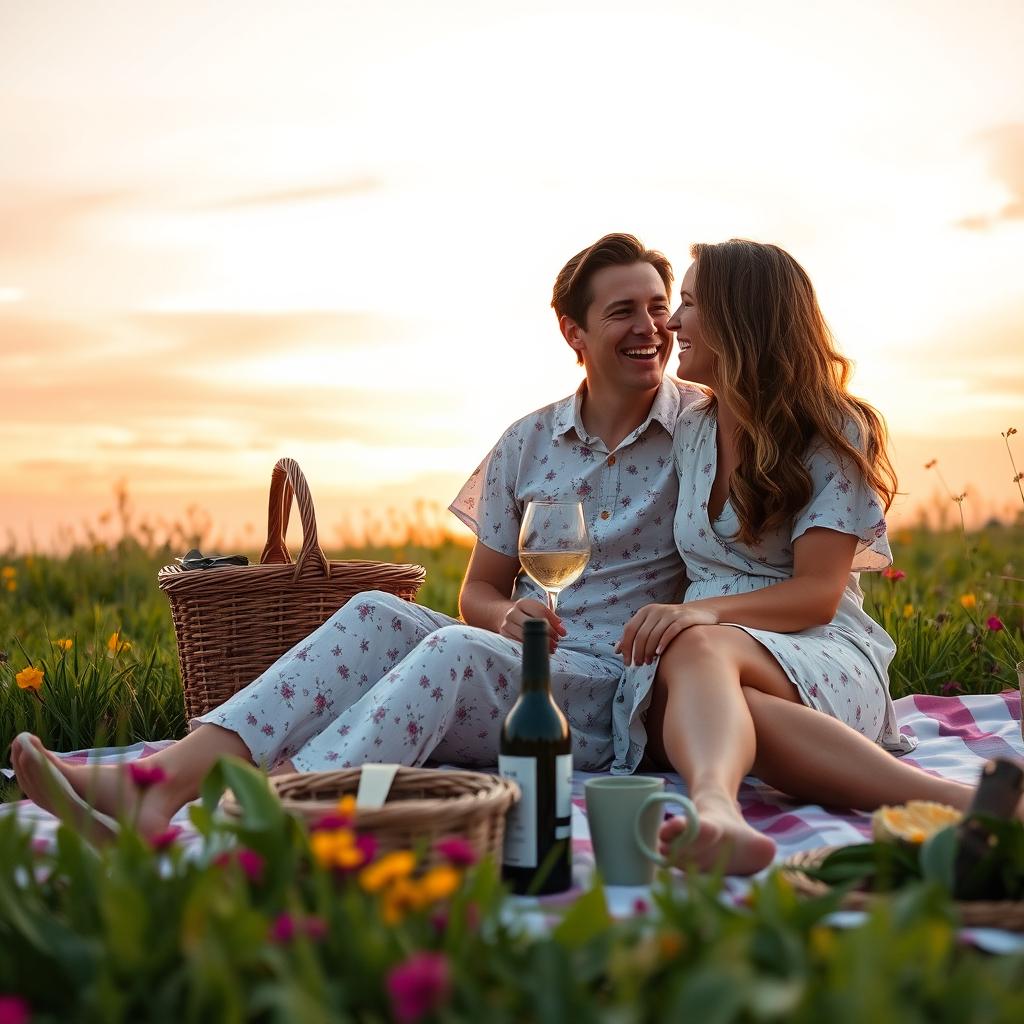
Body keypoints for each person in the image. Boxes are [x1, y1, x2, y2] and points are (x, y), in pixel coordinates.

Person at [12, 232, 701, 842]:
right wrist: (508, 613)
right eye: (624, 311)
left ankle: (282, 808)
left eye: (658, 307)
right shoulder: (528, 440)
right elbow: (479, 593)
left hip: (611, 695)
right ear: (572, 332)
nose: (651, 327)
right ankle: (158, 782)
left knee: (455, 650)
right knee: (374, 610)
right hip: (527, 663)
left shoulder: (702, 430)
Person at [613, 239, 989, 876]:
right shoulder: (691, 428)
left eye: (690, 303)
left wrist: (703, 618)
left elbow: (818, 592)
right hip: (705, 669)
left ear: (741, 318)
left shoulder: (833, 427)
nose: (673, 322)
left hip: (819, 647)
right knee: (721, 702)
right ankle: (971, 806)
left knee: (698, 653)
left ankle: (715, 811)